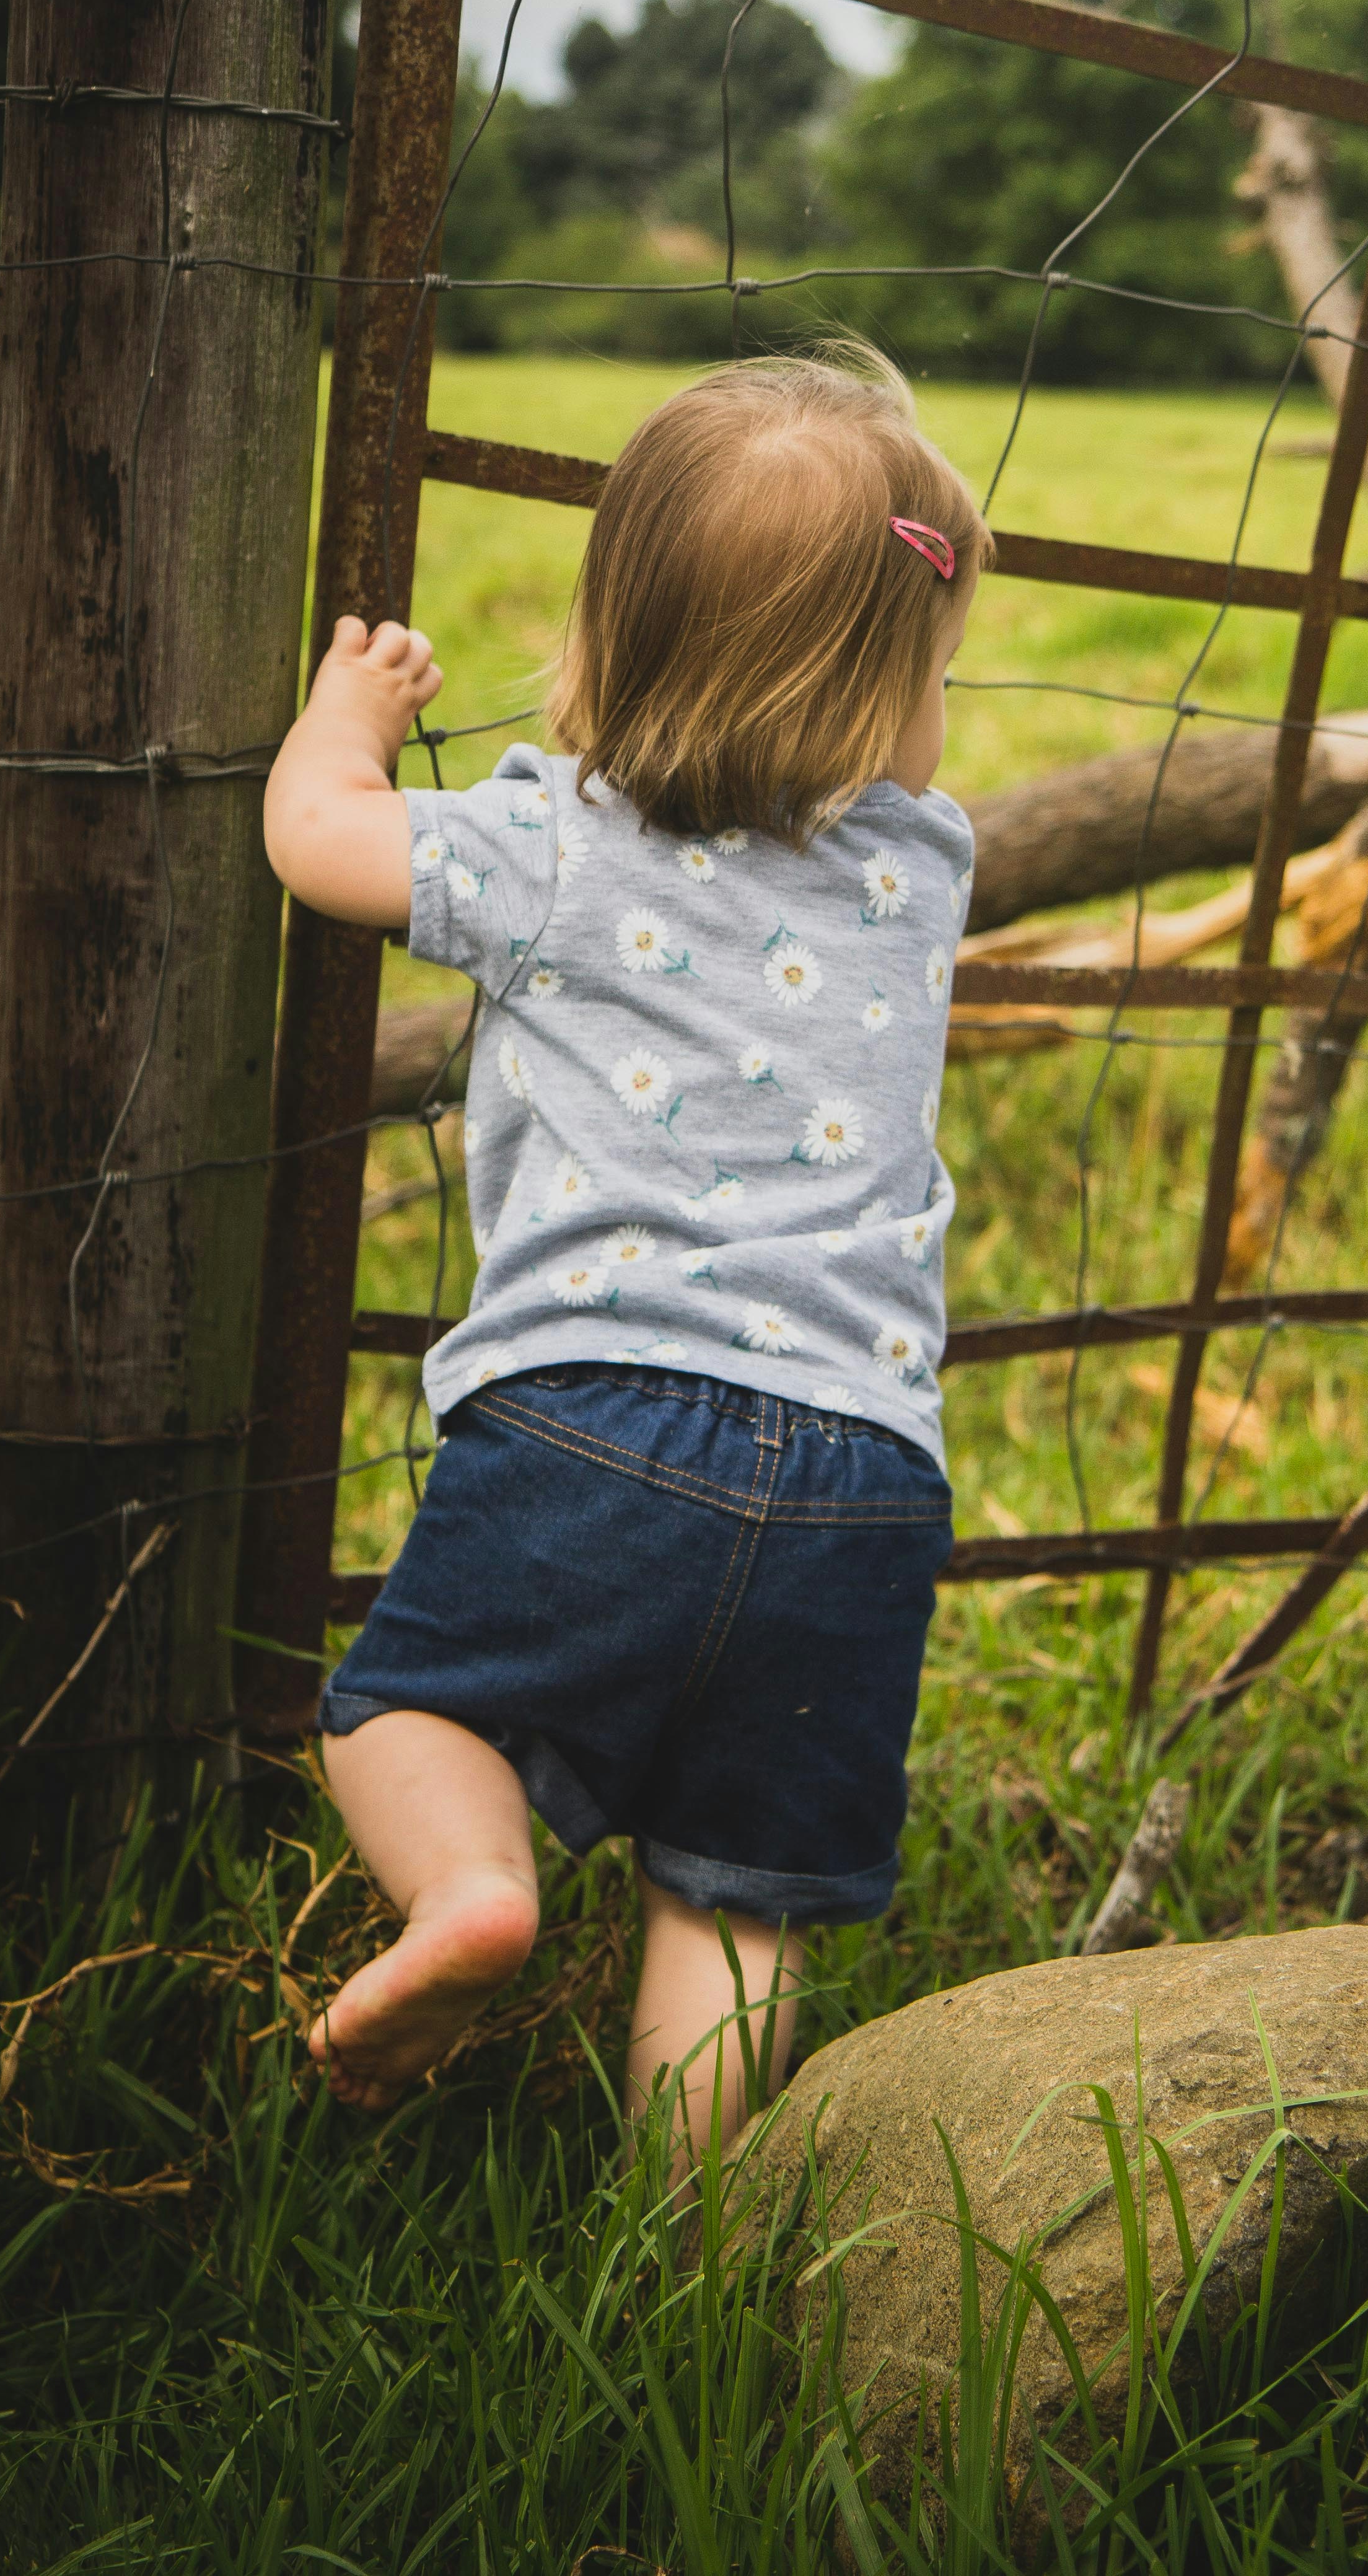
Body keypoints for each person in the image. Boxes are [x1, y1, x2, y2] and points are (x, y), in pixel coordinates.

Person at [263, 345, 989, 2163]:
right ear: (885, 699)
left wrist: (349, 720)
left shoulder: (552, 850)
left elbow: (321, 846)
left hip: (596, 1421)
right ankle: (692, 2245)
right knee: (736, 1902)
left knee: (401, 1719)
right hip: (865, 1479)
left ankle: (472, 1894)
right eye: (935, 675)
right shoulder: (924, 868)